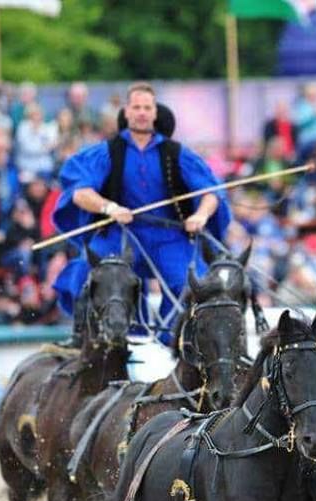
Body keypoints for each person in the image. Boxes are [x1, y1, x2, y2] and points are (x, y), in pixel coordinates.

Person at [52, 82, 231, 346]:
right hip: (121, 234)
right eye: (136, 107)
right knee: (85, 271)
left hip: (170, 236)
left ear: (155, 112)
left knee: (191, 282)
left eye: (147, 107)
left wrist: (201, 216)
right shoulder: (106, 151)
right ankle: (89, 339)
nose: (142, 112)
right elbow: (80, 193)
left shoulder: (176, 152)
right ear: (127, 111)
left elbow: (211, 193)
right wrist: (108, 207)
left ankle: (176, 341)